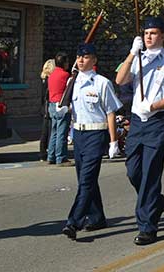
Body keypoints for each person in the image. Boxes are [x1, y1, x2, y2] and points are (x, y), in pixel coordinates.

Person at [115, 17, 164, 246]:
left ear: (163, 36)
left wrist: (156, 105)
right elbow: (120, 80)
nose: (149, 37)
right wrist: (131, 54)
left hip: (159, 121)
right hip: (138, 121)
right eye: (146, 33)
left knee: (150, 172)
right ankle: (156, 202)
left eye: (154, 33)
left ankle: (147, 226)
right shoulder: (138, 58)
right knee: (133, 171)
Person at [61, 44, 122, 240]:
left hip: (96, 135)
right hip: (79, 134)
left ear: (94, 60)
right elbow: (73, 108)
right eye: (78, 56)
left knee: (86, 181)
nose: (80, 60)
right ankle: (97, 217)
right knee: (86, 179)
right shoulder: (73, 81)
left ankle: (74, 222)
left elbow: (111, 112)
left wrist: (114, 142)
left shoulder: (102, 83)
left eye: (85, 57)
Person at [47, 52, 72, 166]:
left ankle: (51, 156)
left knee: (54, 132)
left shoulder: (52, 74)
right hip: (61, 104)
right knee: (62, 132)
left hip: (52, 104)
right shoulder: (65, 75)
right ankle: (60, 157)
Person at [39, 59, 55, 162]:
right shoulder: (50, 80)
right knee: (50, 131)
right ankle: (46, 153)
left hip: (44, 108)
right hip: (49, 107)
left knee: (45, 132)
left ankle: (43, 153)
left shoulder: (44, 79)